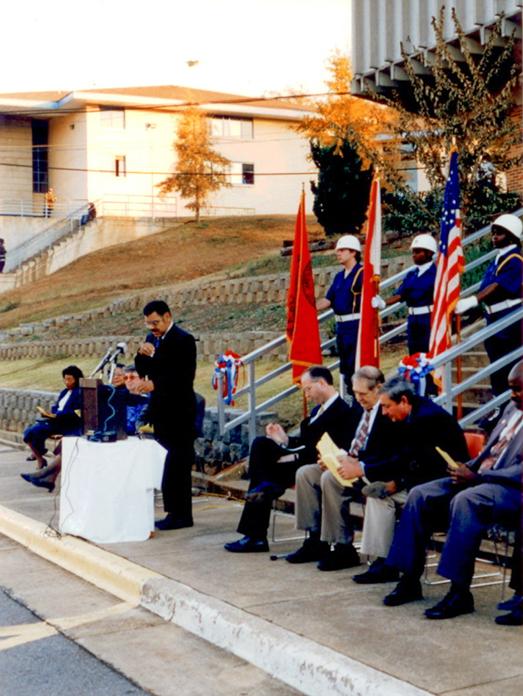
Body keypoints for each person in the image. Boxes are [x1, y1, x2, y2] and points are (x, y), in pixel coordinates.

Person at [381, 361, 523, 621]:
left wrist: (478, 476)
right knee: (420, 494)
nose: (513, 395)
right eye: (511, 389)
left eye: (518, 390)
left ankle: (459, 593)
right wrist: (465, 468)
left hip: (510, 488)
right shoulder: (511, 409)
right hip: (482, 477)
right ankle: (409, 579)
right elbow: (488, 452)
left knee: (466, 500)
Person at [336, 376, 469, 584]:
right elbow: (400, 456)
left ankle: (400, 571)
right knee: (377, 494)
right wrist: (367, 468)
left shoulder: (427, 418)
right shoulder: (410, 413)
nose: (384, 412)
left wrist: (392, 482)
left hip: (446, 484)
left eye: (387, 407)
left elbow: (423, 464)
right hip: (420, 479)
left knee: (400, 496)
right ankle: (382, 561)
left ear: (404, 401)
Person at [223, 366, 359, 553]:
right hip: (302, 457)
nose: (307, 395)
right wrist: (285, 440)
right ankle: (265, 489)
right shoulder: (317, 411)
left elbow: (329, 447)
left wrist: (290, 453)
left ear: (322, 383)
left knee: (264, 470)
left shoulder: (344, 412)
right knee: (261, 444)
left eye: (308, 389)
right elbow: (305, 442)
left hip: (318, 463)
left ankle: (257, 530)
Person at [285, 366, 394, 570]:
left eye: (363, 394)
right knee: (306, 474)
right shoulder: (364, 411)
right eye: (355, 393)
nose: (359, 398)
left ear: (378, 388)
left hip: (370, 470)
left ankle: (343, 547)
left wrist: (357, 465)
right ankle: (315, 538)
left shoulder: (386, 411)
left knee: (329, 479)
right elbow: (357, 446)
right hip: (353, 461)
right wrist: (338, 457)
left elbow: (383, 452)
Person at [134, 300, 197, 531]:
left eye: (156, 322)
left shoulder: (183, 340)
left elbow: (183, 377)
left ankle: (182, 514)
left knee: (178, 463)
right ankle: (172, 511)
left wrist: (155, 385)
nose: (152, 327)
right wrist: (141, 354)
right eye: (148, 324)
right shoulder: (152, 339)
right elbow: (143, 369)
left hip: (180, 410)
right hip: (160, 410)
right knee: (167, 464)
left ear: (168, 316)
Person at [455, 213, 522, 395]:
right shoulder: (497, 260)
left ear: (511, 235)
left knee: (508, 365)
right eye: (493, 232)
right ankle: (498, 405)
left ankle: (508, 405)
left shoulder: (515, 260)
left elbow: (498, 285)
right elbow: (488, 287)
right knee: (496, 366)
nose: (494, 236)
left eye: (499, 233)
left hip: (509, 318)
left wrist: (473, 300)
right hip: (493, 317)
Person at [373, 234, 437, 355]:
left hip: (428, 318)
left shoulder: (436, 274)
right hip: (413, 319)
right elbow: (401, 295)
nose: (414, 254)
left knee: (428, 355)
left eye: (417, 251)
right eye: (413, 252)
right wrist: (383, 302)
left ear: (429, 253)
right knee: (413, 354)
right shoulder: (411, 275)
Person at [316, 235, 362, 394]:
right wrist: (307, 309)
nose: (338, 253)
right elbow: (328, 301)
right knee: (345, 365)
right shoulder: (338, 276)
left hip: (356, 325)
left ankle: (358, 399)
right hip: (341, 326)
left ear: (353, 252)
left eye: (342, 250)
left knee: (356, 364)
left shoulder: (362, 273)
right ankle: (350, 396)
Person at [23, 365, 84, 469]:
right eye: (65, 379)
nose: (67, 382)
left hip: (66, 424)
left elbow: (78, 412)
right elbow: (57, 406)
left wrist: (58, 414)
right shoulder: (64, 392)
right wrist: (51, 414)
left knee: (34, 431)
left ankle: (39, 455)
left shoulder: (79, 393)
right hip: (55, 420)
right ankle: (40, 457)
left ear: (77, 379)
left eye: (70, 379)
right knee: (27, 433)